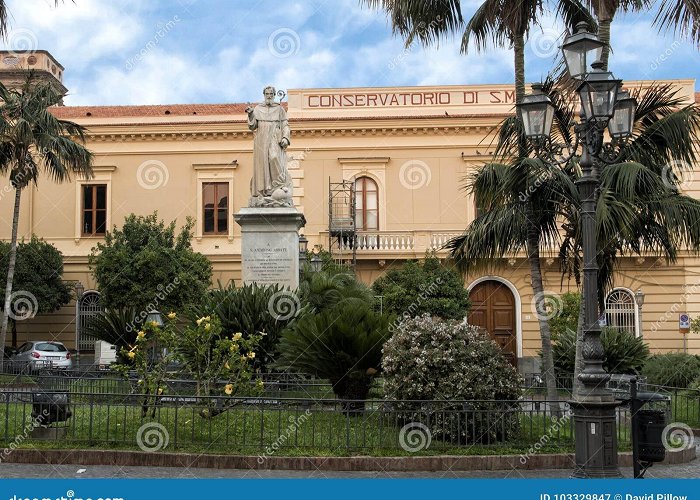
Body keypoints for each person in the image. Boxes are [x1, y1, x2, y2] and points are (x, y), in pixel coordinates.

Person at [246, 86, 293, 206]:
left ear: (274, 95)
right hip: (261, 139)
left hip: (274, 137)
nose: (269, 96)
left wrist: (285, 138)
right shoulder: (258, 108)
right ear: (264, 95)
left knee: (274, 157)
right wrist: (251, 114)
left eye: (271, 94)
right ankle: (265, 192)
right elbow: (252, 126)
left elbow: (285, 124)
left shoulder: (279, 109)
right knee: (262, 164)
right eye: (267, 94)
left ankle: (279, 185)